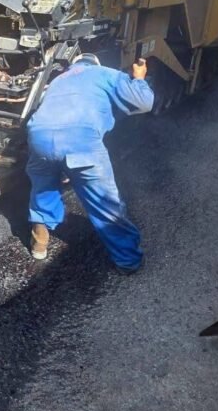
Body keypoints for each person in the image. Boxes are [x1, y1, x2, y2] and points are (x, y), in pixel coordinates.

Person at [26, 54, 154, 272]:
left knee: (43, 188)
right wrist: (139, 78)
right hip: (80, 141)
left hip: (39, 137)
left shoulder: (57, 80)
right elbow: (144, 103)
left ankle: (39, 242)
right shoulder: (103, 73)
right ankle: (128, 261)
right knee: (105, 204)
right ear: (95, 63)